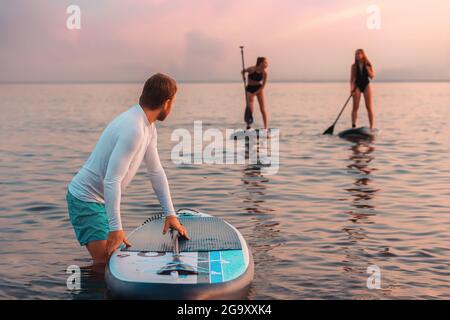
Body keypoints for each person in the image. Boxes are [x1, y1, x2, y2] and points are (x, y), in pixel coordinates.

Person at [66, 73, 189, 269]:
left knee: (114, 261)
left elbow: (156, 172)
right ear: (167, 103)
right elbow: (111, 181)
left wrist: (170, 215)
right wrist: (116, 229)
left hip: (101, 200)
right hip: (86, 199)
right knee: (104, 265)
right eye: (173, 102)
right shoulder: (134, 128)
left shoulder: (148, 127)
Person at [241, 57, 269, 132]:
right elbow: (243, 71)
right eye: (265, 62)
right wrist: (243, 76)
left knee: (262, 109)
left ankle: (266, 128)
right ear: (260, 63)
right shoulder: (251, 69)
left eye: (267, 63)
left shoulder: (265, 73)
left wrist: (255, 93)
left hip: (258, 89)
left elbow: (263, 86)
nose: (267, 64)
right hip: (249, 88)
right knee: (250, 108)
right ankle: (248, 126)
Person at [350, 49, 375, 129]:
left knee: (369, 107)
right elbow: (352, 79)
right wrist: (352, 89)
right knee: (355, 107)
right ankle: (353, 126)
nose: (357, 55)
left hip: (366, 85)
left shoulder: (368, 64)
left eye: (359, 54)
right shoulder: (354, 66)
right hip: (357, 86)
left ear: (363, 55)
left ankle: (371, 127)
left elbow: (372, 76)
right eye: (356, 54)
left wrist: (368, 70)